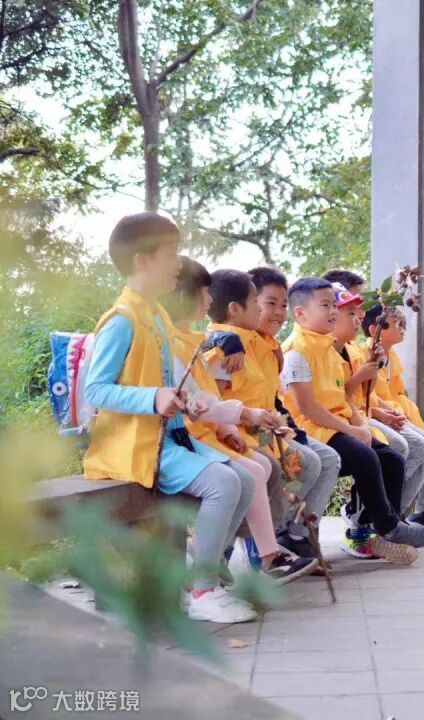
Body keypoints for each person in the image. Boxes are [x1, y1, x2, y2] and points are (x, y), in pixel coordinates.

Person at [83, 213, 256, 623]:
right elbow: (96, 390)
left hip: (170, 439)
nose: (179, 263)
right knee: (223, 483)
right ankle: (203, 589)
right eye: (171, 253)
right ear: (142, 260)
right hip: (136, 446)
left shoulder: (156, 316)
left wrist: (189, 402)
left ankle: (200, 572)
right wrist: (153, 398)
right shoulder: (121, 321)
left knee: (245, 480)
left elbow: (170, 382)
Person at [162, 258, 316, 584]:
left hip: (215, 431)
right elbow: (199, 402)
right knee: (255, 471)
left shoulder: (198, 340)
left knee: (262, 468)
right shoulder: (191, 345)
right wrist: (244, 417)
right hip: (190, 437)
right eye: (204, 293)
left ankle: (256, 554)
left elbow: (206, 397)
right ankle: (220, 558)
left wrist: (228, 427)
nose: (209, 301)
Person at [280, 277, 424, 564]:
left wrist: (360, 425)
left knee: (392, 458)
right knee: (366, 458)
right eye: (326, 306)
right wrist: (351, 429)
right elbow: (307, 408)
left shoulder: (328, 347)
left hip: (336, 424)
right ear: (300, 313)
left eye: (334, 306)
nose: (333, 312)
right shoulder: (297, 350)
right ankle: (386, 526)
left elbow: (342, 395)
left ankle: (386, 527)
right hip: (314, 429)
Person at [213, 267, 342, 564]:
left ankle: (285, 536)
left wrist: (285, 426)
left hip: (265, 428)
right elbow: (215, 396)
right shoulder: (230, 344)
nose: (278, 312)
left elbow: (269, 398)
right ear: (240, 306)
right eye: (268, 303)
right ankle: (255, 546)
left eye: (283, 304)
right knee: (281, 467)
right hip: (237, 432)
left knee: (313, 461)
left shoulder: (267, 346)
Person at [359, 303, 424, 536]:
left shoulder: (392, 356)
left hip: (397, 414)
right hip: (376, 415)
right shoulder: (365, 353)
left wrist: (403, 415)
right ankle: (387, 512)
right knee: (421, 444)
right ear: (375, 330)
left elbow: (397, 394)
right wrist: (387, 414)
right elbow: (367, 396)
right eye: (397, 324)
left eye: (403, 323)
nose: (403, 328)